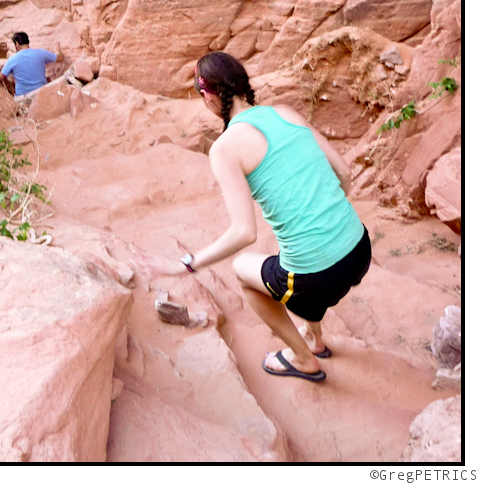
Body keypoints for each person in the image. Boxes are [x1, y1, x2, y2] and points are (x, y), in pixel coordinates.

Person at [135, 51, 371, 382]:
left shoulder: (225, 148)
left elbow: (244, 233)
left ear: (209, 97)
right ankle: (315, 338)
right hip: (360, 249)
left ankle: (304, 359)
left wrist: (184, 264)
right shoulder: (286, 113)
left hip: (319, 274)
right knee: (296, 258)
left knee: (244, 271)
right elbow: (343, 173)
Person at [0, 32, 64, 105]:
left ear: (17, 44)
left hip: (22, 99)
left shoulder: (12, 59)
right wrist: (57, 51)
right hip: (40, 95)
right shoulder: (41, 53)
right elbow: (60, 58)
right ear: (28, 42)